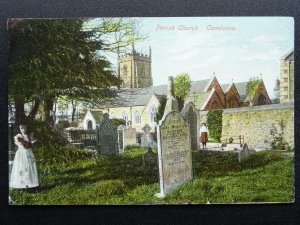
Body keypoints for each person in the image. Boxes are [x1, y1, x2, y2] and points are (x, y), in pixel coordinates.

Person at [9, 124, 39, 189]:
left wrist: (31, 141)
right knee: (21, 167)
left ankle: (28, 183)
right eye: (21, 128)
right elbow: (25, 145)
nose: (23, 130)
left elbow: (29, 145)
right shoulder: (18, 136)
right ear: (19, 129)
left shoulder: (27, 135)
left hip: (28, 153)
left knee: (28, 167)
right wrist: (31, 142)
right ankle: (21, 184)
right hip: (21, 153)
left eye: (24, 128)